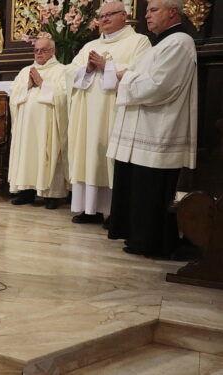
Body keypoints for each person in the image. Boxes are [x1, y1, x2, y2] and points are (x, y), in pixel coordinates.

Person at [107, 0, 197, 258]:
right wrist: (127, 76)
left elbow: (158, 86)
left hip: (158, 130)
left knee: (151, 190)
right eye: (146, 10)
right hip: (144, 129)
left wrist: (126, 76)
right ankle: (138, 238)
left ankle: (153, 242)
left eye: (153, 10)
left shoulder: (180, 42)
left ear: (173, 12)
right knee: (139, 188)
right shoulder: (161, 44)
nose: (146, 16)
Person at [65, 1, 151, 224]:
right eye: (101, 16)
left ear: (124, 15)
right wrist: (88, 69)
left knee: (110, 160)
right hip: (86, 115)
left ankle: (114, 212)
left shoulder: (139, 42)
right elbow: (69, 72)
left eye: (109, 15)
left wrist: (107, 66)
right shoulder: (89, 46)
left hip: (115, 113)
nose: (104, 19)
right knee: (88, 155)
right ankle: (88, 208)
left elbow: (141, 75)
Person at [8, 36, 69, 209]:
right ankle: (27, 191)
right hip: (26, 126)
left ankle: (52, 195)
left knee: (48, 152)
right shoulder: (25, 70)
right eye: (36, 50)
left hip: (48, 124)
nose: (39, 53)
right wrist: (27, 85)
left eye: (44, 50)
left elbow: (65, 95)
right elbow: (14, 93)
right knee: (27, 153)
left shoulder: (62, 70)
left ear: (53, 51)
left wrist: (42, 84)